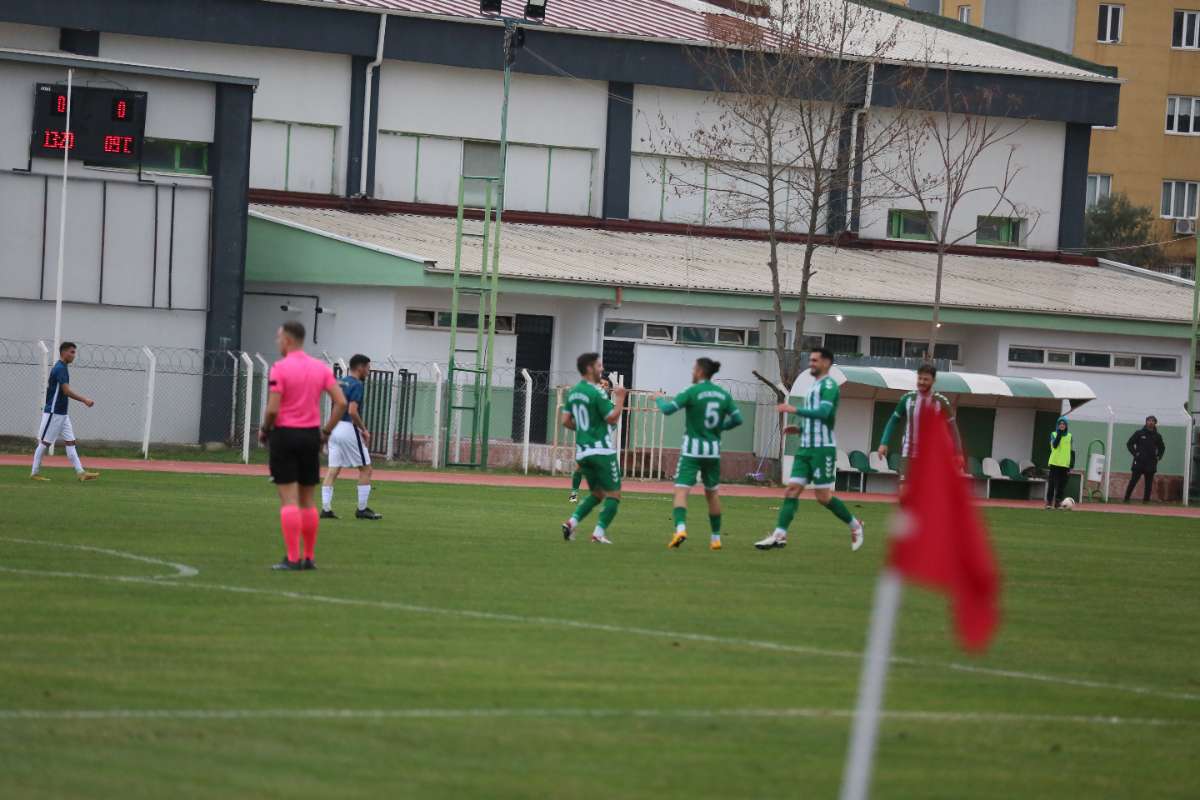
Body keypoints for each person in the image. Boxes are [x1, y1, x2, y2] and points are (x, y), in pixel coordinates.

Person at [755, 348, 864, 552]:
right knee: (792, 490)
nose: (811, 363)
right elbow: (815, 418)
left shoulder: (830, 386)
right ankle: (780, 534)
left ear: (826, 363)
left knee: (823, 497)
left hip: (822, 449)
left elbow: (824, 413)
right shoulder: (813, 387)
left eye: (815, 360)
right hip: (805, 448)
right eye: (811, 360)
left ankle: (855, 526)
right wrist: (799, 427)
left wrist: (793, 410)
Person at [259, 321, 347, 571]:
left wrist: (266, 430)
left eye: (278, 338)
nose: (277, 343)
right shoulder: (319, 368)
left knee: (288, 499)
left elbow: (274, 408)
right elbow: (340, 403)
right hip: (310, 436)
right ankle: (309, 557)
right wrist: (326, 432)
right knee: (308, 500)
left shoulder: (280, 368)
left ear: (286, 340)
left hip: (285, 435)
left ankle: (292, 557)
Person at [655, 357, 743, 551]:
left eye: (694, 369)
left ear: (700, 371)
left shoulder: (691, 391)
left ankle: (680, 529)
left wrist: (659, 398)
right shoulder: (722, 395)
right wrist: (720, 428)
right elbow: (738, 419)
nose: (692, 372)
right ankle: (716, 538)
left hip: (692, 451)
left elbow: (668, 410)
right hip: (713, 451)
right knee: (712, 494)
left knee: (681, 491)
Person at [561, 353, 628, 544]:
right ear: (589, 368)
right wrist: (621, 398)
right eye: (599, 366)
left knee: (597, 494)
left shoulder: (574, 392)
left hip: (583, 453)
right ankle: (598, 534)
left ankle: (571, 523)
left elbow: (565, 420)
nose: (602, 369)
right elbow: (612, 418)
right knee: (614, 495)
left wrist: (584, 429)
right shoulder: (597, 392)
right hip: (602, 452)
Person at [321, 354, 382, 520]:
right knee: (366, 469)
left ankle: (326, 509)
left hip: (333, 428)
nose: (368, 372)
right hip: (348, 427)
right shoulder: (357, 384)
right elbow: (352, 411)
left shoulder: (340, 382)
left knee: (333, 470)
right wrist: (364, 429)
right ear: (360, 367)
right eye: (368, 368)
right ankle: (362, 510)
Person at [30, 341, 99, 483]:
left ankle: (81, 472)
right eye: (71, 352)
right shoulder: (60, 368)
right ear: (63, 353)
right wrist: (84, 400)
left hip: (62, 414)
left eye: (74, 352)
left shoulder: (63, 368)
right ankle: (34, 473)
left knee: (71, 442)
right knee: (44, 444)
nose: (74, 355)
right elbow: (66, 391)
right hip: (54, 413)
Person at [877, 363, 960, 471]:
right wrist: (884, 443)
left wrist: (958, 453)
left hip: (931, 455)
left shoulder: (941, 401)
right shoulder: (907, 398)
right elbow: (893, 421)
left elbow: (953, 428)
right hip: (908, 454)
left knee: (927, 488)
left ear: (933, 381)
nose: (921, 382)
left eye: (926, 379)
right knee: (904, 487)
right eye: (920, 378)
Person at [570, 376, 613, 503]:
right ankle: (573, 493)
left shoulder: (610, 405)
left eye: (606, 385)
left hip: (601, 442)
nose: (603, 386)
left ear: (609, 389)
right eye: (601, 384)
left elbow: (612, 424)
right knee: (579, 467)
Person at [1125, 415, 1166, 504]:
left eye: (1152, 421)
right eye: (1149, 420)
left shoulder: (1157, 436)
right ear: (1146, 422)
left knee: (1148, 484)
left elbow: (1162, 447)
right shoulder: (1139, 433)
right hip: (1139, 462)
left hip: (1151, 462)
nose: (1150, 422)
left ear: (1155, 423)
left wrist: (1159, 456)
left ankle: (1146, 501)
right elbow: (1129, 444)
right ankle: (1126, 499)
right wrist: (1135, 453)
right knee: (1133, 481)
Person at [1045, 417, 1073, 509]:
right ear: (1058, 425)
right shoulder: (1053, 434)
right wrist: (1059, 434)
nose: (1062, 425)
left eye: (1063, 424)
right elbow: (1055, 445)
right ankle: (1049, 502)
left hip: (1064, 465)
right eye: (1060, 424)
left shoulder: (1069, 436)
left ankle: (1057, 502)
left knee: (1061, 485)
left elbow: (1070, 451)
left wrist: (1070, 466)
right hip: (1054, 463)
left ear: (1066, 426)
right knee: (1052, 484)